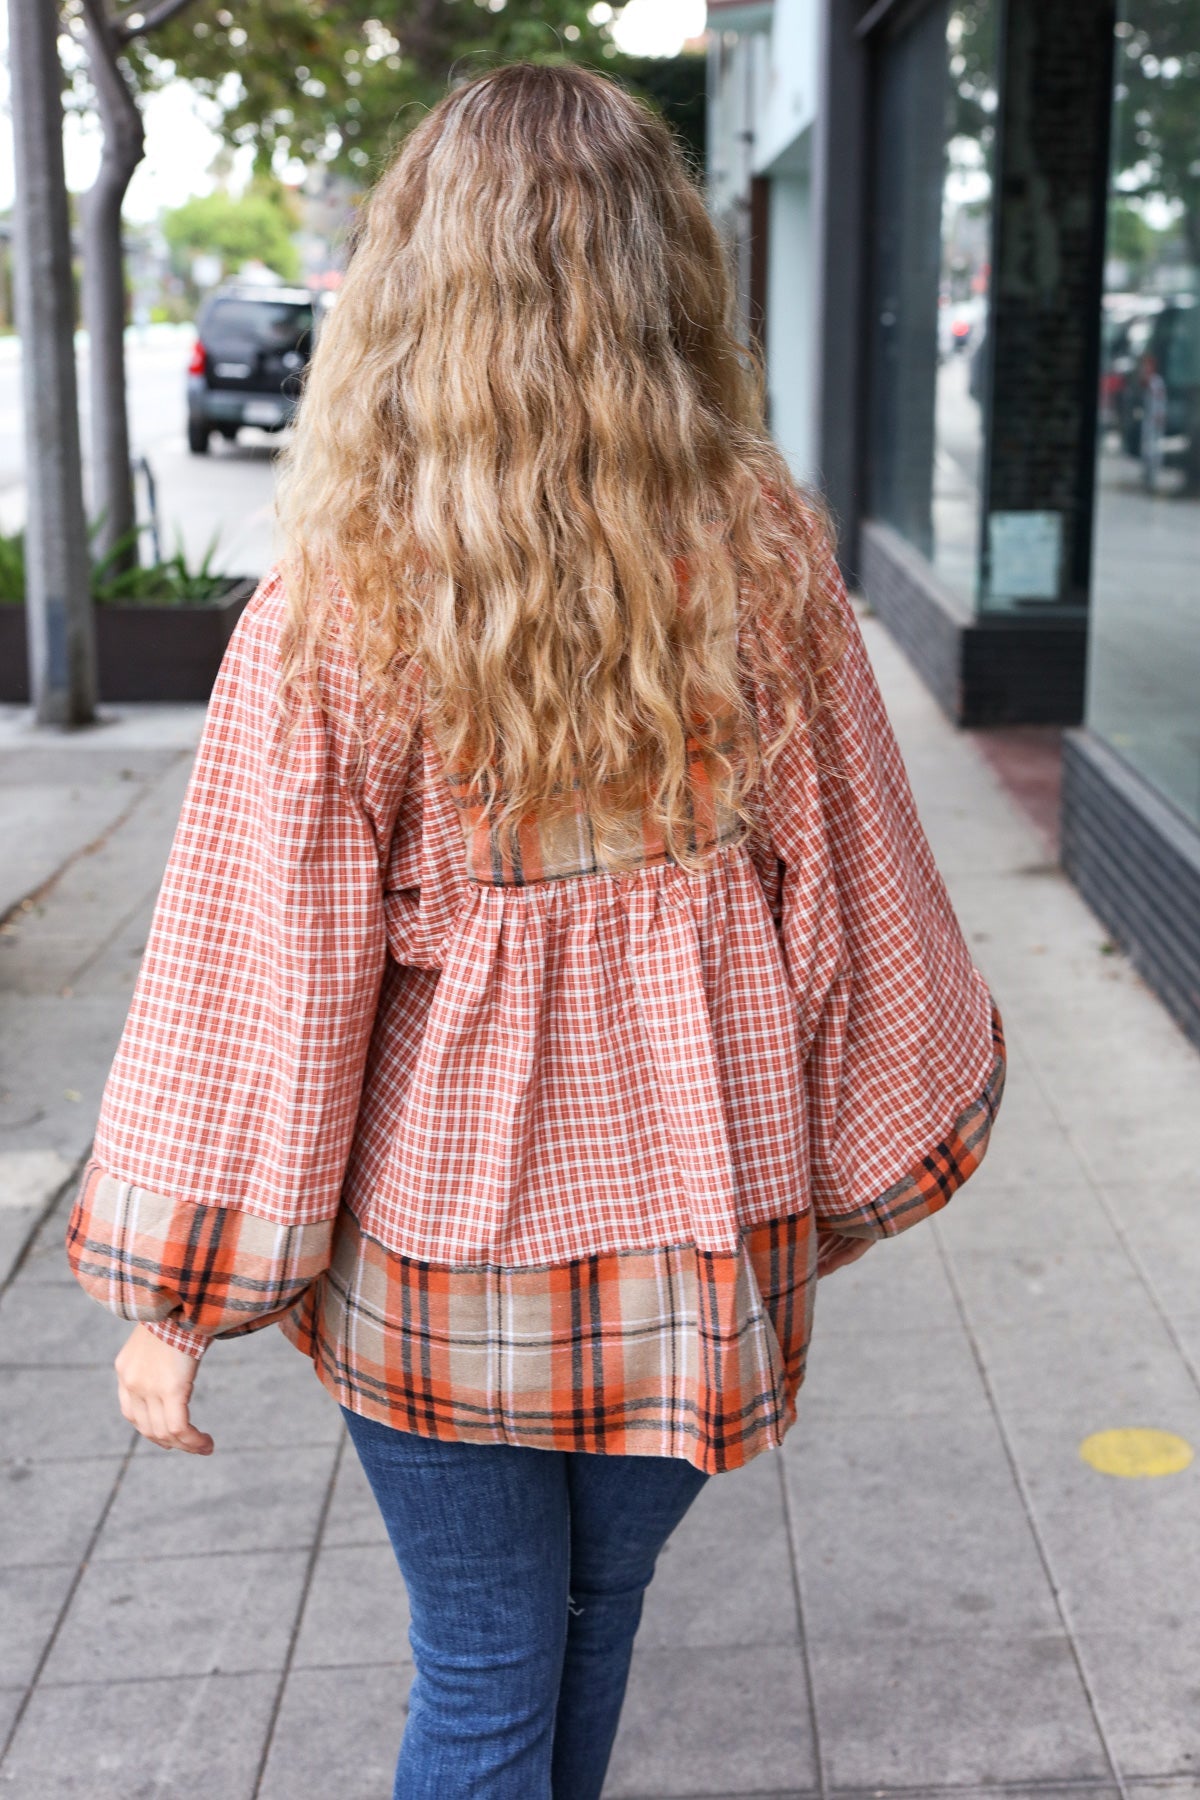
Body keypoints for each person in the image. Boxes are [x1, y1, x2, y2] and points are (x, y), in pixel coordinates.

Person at [64, 62, 1006, 1800]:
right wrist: (855, 1166)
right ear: (668, 275)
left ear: (416, 288)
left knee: (488, 1673)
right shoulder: (768, 561)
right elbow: (861, 901)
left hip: (437, 1253)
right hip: (702, 1232)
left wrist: (180, 1301)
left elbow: (263, 986)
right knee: (592, 1622)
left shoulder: (333, 606)